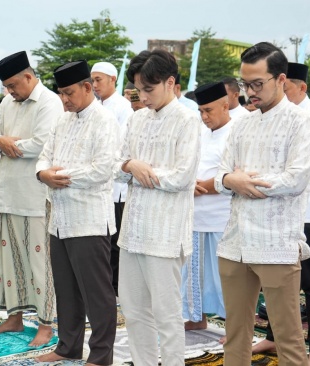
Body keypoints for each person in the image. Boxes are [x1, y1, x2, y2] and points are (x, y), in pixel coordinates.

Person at [214, 42, 310, 366]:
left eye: (257, 84)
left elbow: (296, 178)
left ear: (281, 79)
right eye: (246, 84)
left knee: (287, 336)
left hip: (277, 242)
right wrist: (232, 180)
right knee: (236, 332)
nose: (250, 92)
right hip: (235, 243)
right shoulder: (241, 123)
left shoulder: (302, 122)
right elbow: (219, 176)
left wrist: (243, 181)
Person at [115, 49, 201, 366]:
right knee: (134, 312)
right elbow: (115, 166)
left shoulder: (188, 119)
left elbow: (182, 176)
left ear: (170, 82)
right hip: (133, 230)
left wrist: (139, 172)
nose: (143, 96)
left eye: (148, 89)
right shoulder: (136, 118)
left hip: (165, 234)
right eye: (139, 90)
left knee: (166, 315)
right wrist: (131, 165)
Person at [34, 60, 118, 365]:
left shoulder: (105, 120)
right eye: (61, 93)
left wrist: (60, 175)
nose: (65, 99)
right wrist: (44, 174)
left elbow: (102, 169)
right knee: (66, 290)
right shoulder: (62, 121)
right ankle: (68, 346)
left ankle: (100, 356)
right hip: (60, 220)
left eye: (69, 93)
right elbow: (43, 158)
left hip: (89, 220)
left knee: (96, 293)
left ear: (87, 87)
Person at [252, 62, 310, 365]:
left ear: (299, 87)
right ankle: (273, 337)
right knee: (275, 281)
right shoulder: (270, 117)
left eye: (284, 87)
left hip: (308, 212)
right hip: (275, 211)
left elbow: (300, 166)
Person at [0, 50, 63, 346]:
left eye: (14, 85)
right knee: (9, 261)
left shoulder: (49, 102)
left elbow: (41, 144)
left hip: (34, 198)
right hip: (6, 195)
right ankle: (14, 318)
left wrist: (5, 144)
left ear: (29, 77)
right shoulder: (6, 102)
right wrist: (1, 140)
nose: (10, 91)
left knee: (40, 264)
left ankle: (45, 325)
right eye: (7, 87)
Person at [182, 82, 231, 333]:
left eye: (209, 111)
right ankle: (196, 316)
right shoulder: (199, 133)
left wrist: (209, 186)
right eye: (201, 111)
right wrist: (189, 185)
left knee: (227, 277)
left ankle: (235, 326)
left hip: (222, 217)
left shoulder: (237, 132)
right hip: (195, 214)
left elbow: (236, 173)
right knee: (194, 274)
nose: (204, 116)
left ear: (225, 105)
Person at [90, 61, 133, 295]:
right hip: (97, 185)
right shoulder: (94, 106)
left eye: (99, 80)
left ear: (113, 80)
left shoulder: (123, 107)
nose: (94, 85)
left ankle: (116, 289)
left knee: (115, 241)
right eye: (92, 80)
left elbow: (121, 145)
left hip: (117, 186)